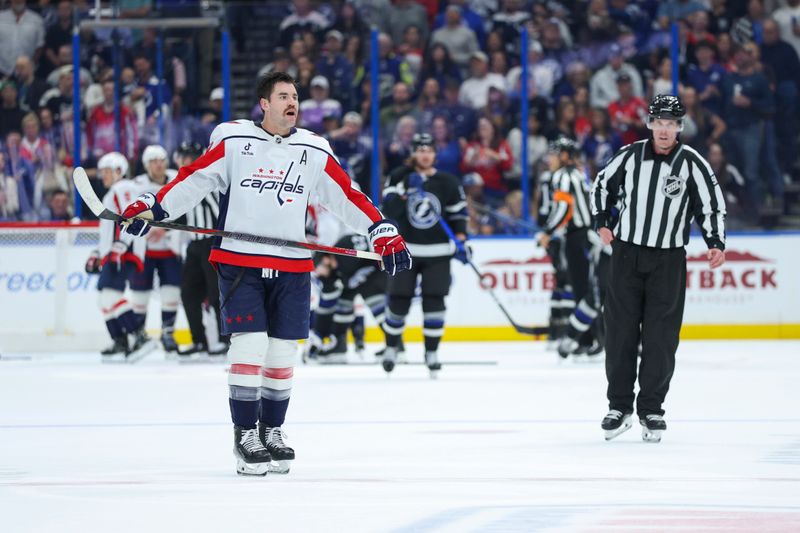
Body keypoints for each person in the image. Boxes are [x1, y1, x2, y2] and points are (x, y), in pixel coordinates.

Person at [119, 72, 411, 476]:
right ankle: (245, 436)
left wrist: (380, 229)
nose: (292, 103)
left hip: (292, 265)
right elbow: (194, 179)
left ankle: (272, 430)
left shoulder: (314, 149)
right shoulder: (234, 141)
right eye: (284, 96)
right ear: (264, 104)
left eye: (296, 96)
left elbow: (346, 195)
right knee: (250, 344)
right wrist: (153, 206)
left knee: (281, 353)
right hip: (241, 261)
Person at [590, 95, 727, 443]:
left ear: (680, 127)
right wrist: (602, 221)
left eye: (671, 124)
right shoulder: (631, 155)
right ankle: (619, 406)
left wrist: (715, 242)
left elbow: (710, 205)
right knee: (620, 333)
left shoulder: (693, 163)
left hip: (667, 260)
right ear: (650, 124)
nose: (664, 130)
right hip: (626, 256)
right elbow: (602, 184)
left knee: (661, 337)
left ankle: (651, 408)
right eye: (659, 123)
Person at [380, 133, 468, 377]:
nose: (425, 154)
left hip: (438, 252)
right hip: (405, 250)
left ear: (435, 154)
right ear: (413, 153)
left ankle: (432, 353)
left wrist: (462, 241)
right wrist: (406, 192)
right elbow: (388, 209)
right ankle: (391, 348)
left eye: (429, 150)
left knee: (434, 301)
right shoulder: (399, 176)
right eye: (420, 150)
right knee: (398, 300)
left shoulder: (448, 182)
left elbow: (458, 216)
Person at [536, 138, 599, 358]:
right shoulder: (579, 174)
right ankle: (588, 339)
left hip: (577, 238)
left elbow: (564, 209)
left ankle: (593, 339)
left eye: (553, 154)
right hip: (586, 236)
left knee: (582, 290)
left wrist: (547, 232)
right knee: (585, 288)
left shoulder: (562, 176)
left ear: (564, 155)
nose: (549, 159)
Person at [84, 152, 145, 358]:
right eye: (102, 172)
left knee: (111, 296)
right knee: (103, 299)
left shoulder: (124, 188)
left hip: (123, 253)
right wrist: (98, 253)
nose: (103, 176)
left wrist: (122, 245)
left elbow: (132, 217)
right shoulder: (112, 193)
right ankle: (120, 341)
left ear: (120, 171)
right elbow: (108, 232)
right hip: (113, 253)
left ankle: (140, 336)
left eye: (107, 171)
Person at [175, 142, 226, 357]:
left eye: (191, 156)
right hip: (194, 245)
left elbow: (219, 211)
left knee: (216, 294)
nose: (187, 160)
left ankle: (225, 340)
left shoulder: (207, 179)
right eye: (185, 156)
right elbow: (180, 211)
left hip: (210, 243)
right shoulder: (184, 181)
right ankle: (198, 340)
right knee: (188, 294)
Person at [130, 145, 182, 353]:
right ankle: (139, 335)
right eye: (153, 161)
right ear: (146, 165)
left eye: (161, 159)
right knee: (139, 294)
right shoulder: (136, 185)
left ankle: (168, 334)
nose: (158, 164)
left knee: (171, 292)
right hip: (144, 251)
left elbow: (186, 205)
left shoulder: (177, 178)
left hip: (171, 249)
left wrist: (166, 231)